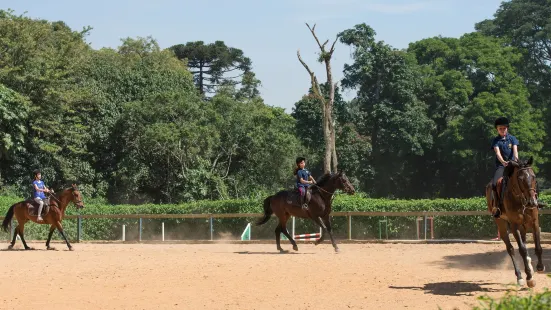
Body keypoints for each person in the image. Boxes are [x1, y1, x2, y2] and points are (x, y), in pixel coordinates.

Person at [490, 117, 519, 218]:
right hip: (502, 166)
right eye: (500, 128)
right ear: (497, 129)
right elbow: (498, 153)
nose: (503, 130)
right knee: (494, 184)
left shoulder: (513, 139)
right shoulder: (496, 140)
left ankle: (534, 201)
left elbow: (515, 152)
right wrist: (503, 162)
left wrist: (516, 161)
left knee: (527, 178)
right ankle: (496, 206)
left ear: (507, 128)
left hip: (513, 164)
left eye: (504, 128)